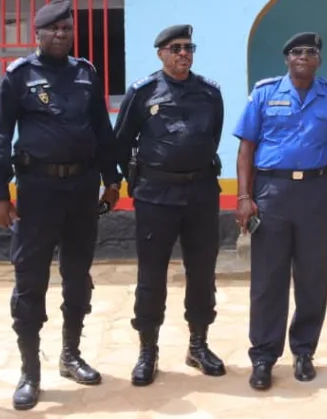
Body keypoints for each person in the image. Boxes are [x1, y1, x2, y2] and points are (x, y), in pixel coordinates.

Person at [0, 0, 121, 411]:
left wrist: (112, 178)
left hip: (82, 189)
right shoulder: (19, 76)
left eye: (66, 29)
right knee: (30, 280)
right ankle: (30, 370)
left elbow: (101, 127)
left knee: (78, 276)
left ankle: (71, 354)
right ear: (38, 34)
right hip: (37, 191)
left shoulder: (85, 73)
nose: (61, 35)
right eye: (53, 29)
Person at [233, 31, 327, 390]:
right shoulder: (265, 93)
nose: (303, 56)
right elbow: (246, 148)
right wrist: (244, 197)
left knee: (312, 276)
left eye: (310, 51)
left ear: (319, 59)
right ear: (286, 58)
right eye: (296, 52)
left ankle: (304, 351)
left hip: (315, 192)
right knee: (267, 279)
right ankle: (263, 357)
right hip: (272, 191)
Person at [113, 24, 226, 386]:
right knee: (151, 276)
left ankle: (198, 344)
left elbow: (213, 137)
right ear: (160, 52)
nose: (183, 54)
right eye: (175, 48)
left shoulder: (209, 93)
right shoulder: (143, 92)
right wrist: (138, 177)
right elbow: (120, 141)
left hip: (200, 195)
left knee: (202, 273)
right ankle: (148, 349)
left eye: (189, 47)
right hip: (156, 196)